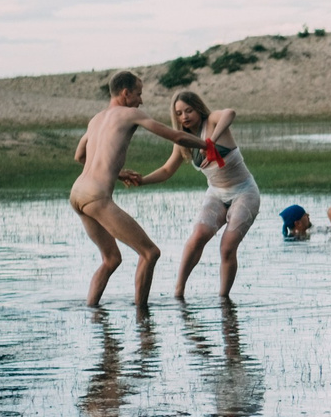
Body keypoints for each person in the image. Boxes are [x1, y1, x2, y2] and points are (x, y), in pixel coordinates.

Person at [70, 70, 210, 308]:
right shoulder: (130, 114)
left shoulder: (95, 119)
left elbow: (79, 155)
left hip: (77, 194)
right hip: (96, 196)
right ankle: (142, 318)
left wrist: (119, 172)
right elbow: (175, 135)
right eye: (138, 93)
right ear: (125, 93)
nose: (140, 100)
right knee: (150, 253)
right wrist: (208, 145)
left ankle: (92, 312)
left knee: (111, 259)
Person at [125, 89, 260, 301]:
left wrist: (211, 142)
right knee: (197, 237)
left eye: (188, 110)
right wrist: (142, 181)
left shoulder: (212, 122)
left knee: (227, 247)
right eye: (179, 113)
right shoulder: (183, 141)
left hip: (244, 191)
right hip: (216, 193)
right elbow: (167, 170)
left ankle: (223, 300)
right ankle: (179, 292)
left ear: (198, 108)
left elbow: (230, 113)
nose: (184, 116)